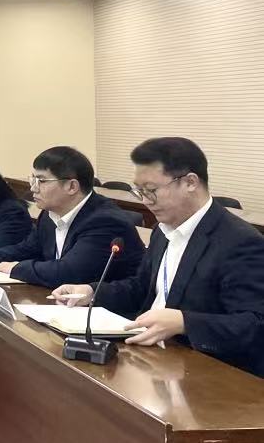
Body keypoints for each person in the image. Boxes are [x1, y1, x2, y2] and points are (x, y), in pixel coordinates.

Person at [52, 137, 264, 377]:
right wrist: (91, 292)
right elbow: (141, 288)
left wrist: (183, 322)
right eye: (139, 191)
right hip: (152, 358)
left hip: (206, 370)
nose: (145, 201)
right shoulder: (162, 231)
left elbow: (255, 324)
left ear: (190, 182)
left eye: (151, 190)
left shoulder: (239, 242)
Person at [0, 145, 144, 287]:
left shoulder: (104, 221)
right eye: (32, 179)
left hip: (110, 315)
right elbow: (28, 248)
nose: (33, 188)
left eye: (41, 181)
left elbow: (69, 272)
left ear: (72, 186)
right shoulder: (49, 215)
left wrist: (12, 268)